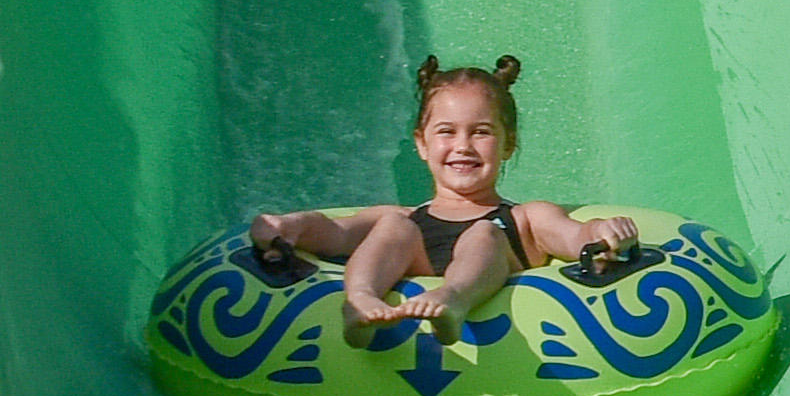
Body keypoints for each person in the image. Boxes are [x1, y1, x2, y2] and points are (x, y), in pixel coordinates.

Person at [250, 56, 639, 331]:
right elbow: (335, 233)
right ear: (422, 144)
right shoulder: (404, 220)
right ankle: (361, 300)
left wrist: (603, 231)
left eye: (481, 132)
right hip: (394, 262)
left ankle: (454, 298)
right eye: (446, 132)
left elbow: (574, 237)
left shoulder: (526, 219)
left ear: (508, 144)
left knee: (484, 233)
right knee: (392, 225)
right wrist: (290, 226)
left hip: (480, 276)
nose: (463, 146)